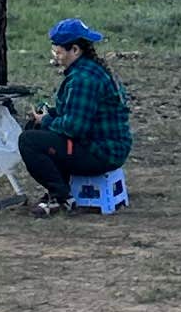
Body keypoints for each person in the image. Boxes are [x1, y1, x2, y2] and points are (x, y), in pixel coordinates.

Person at [20, 18, 130, 214]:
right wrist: (50, 114)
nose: (56, 57)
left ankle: (61, 197)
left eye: (59, 52)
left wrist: (47, 120)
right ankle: (60, 192)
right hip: (103, 143)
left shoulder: (83, 79)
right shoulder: (90, 70)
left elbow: (74, 128)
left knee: (29, 141)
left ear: (75, 50)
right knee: (35, 129)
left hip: (101, 152)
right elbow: (78, 112)